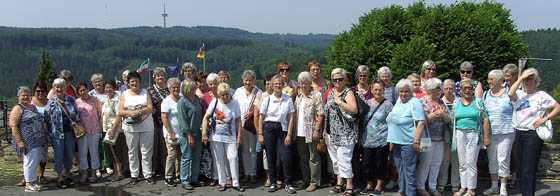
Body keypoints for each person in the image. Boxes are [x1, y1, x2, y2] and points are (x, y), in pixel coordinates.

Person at [508, 68, 560, 196]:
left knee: (529, 169)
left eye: (531, 80)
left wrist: (545, 119)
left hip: (532, 135)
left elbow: (557, 107)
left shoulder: (541, 95)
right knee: (520, 168)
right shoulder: (519, 94)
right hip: (518, 133)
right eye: (526, 80)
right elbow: (510, 94)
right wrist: (521, 77)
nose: (528, 82)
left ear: (536, 82)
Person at [202, 83, 245, 192]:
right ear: (219, 95)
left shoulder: (235, 103)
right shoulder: (215, 102)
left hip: (230, 137)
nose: (225, 97)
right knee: (219, 160)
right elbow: (206, 117)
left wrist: (239, 136)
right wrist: (204, 134)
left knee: (233, 157)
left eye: (227, 94)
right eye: (222, 95)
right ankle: (222, 182)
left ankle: (236, 182)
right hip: (216, 136)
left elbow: (238, 121)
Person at [386, 78, 426, 196]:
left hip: (409, 142)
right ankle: (402, 190)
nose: (403, 94)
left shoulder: (415, 102)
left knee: (409, 171)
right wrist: (391, 141)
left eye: (406, 91)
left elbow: (421, 122)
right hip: (396, 141)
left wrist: (416, 141)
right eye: (401, 91)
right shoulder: (399, 100)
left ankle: (410, 193)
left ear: (411, 91)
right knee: (400, 169)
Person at [259, 75, 297, 194]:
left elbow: (291, 117)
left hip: (283, 129)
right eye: (275, 83)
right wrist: (260, 134)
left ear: (283, 85)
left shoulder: (288, 99)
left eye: (279, 83)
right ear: (271, 85)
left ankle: (288, 183)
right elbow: (261, 117)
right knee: (271, 157)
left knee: (286, 157)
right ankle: (273, 182)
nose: (277, 85)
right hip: (269, 128)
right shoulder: (267, 99)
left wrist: (290, 134)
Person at [453, 79, 490, 196]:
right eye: (465, 88)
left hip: (473, 133)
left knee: (471, 162)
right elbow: (452, 119)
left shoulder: (478, 102)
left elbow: (485, 119)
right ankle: (463, 187)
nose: (468, 90)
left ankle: (471, 189)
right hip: (459, 133)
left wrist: (486, 137)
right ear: (461, 90)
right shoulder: (456, 102)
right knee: (462, 162)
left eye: (470, 88)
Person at [324, 68, 358, 196]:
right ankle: (339, 183)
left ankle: (349, 186)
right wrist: (324, 131)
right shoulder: (331, 91)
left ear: (345, 79)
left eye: (340, 79)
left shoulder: (348, 92)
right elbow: (327, 111)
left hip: (346, 133)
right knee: (336, 160)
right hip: (331, 132)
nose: (337, 81)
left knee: (344, 159)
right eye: (335, 79)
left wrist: (340, 102)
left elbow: (354, 109)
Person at [482, 70, 515, 196]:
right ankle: (494, 186)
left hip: (506, 132)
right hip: (490, 133)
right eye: (489, 79)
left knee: (503, 159)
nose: (489, 81)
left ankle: (503, 188)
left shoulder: (509, 93)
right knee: (492, 160)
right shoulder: (486, 94)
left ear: (500, 81)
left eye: (491, 79)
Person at [118, 71, 155, 185]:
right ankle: (134, 175)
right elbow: (120, 111)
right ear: (128, 83)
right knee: (132, 151)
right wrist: (131, 113)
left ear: (140, 81)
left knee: (146, 152)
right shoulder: (124, 94)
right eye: (132, 81)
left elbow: (150, 107)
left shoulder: (145, 92)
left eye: (136, 81)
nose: (135, 83)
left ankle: (147, 174)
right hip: (131, 127)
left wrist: (139, 111)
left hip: (146, 126)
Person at [10, 86, 48, 192]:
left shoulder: (32, 107)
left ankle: (33, 181)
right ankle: (28, 184)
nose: (26, 97)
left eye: (27, 95)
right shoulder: (17, 108)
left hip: (38, 140)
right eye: (23, 95)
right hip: (27, 141)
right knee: (29, 162)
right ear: (18, 97)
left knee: (35, 161)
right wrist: (19, 141)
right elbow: (13, 125)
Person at [416, 78, 450, 196]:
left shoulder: (441, 102)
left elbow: (448, 119)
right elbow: (419, 121)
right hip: (426, 138)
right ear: (430, 90)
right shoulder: (421, 102)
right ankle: (420, 187)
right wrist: (433, 115)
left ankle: (432, 187)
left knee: (436, 163)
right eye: (437, 88)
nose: (440, 90)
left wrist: (443, 114)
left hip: (440, 138)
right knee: (425, 163)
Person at [360, 80, 393, 196]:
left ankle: (379, 186)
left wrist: (391, 141)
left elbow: (392, 123)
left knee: (380, 164)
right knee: (366, 164)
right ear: (371, 90)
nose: (378, 91)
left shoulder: (388, 105)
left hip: (382, 140)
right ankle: (369, 184)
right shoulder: (366, 103)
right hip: (367, 140)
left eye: (380, 89)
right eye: (375, 89)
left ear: (384, 90)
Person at [294, 71, 324, 192]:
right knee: (303, 157)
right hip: (299, 132)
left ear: (309, 83)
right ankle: (306, 180)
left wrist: (317, 130)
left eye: (305, 83)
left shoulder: (316, 95)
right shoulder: (299, 96)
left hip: (311, 131)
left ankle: (315, 181)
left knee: (313, 157)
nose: (302, 85)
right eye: (301, 83)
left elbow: (321, 113)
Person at [46, 78, 79, 188]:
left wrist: (75, 122)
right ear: (53, 88)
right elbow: (46, 118)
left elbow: (77, 113)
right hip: (57, 134)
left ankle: (67, 173)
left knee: (69, 155)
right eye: (56, 87)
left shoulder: (71, 100)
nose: (59, 89)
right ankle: (60, 176)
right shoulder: (50, 102)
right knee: (59, 156)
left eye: (61, 86)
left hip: (70, 132)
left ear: (65, 88)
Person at [233, 70, 262, 185]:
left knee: (253, 150)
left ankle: (253, 174)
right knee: (244, 150)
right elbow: (234, 106)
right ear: (242, 80)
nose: (248, 82)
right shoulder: (238, 91)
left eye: (250, 80)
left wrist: (251, 113)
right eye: (246, 80)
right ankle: (246, 174)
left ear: (253, 80)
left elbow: (259, 107)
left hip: (252, 124)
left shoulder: (258, 91)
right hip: (240, 124)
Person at [177, 80, 204, 190]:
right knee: (187, 157)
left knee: (197, 157)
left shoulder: (197, 99)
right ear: (187, 89)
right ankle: (185, 180)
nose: (195, 89)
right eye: (193, 88)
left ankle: (194, 179)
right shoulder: (182, 102)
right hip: (187, 134)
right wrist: (189, 135)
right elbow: (183, 120)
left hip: (198, 132)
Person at [75, 82, 103, 183]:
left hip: (94, 130)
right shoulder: (76, 102)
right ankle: (84, 174)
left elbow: (100, 114)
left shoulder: (95, 100)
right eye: (80, 90)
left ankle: (94, 173)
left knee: (94, 152)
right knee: (83, 153)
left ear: (88, 89)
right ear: (78, 92)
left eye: (84, 89)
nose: (83, 92)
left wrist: (101, 127)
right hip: (82, 132)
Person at [437, 79, 461, 192]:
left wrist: (446, 116)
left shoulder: (459, 101)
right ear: (442, 89)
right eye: (446, 88)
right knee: (444, 161)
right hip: (444, 136)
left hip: (457, 135)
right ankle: (442, 183)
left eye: (451, 88)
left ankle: (455, 184)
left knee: (456, 161)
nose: (448, 90)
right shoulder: (440, 101)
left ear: (454, 89)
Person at [102, 80, 127, 182]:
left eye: (110, 87)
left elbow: (119, 115)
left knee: (117, 151)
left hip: (116, 129)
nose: (108, 89)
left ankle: (119, 173)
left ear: (114, 88)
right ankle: (118, 171)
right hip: (108, 129)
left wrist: (113, 129)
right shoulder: (107, 100)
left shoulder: (117, 100)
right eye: (106, 88)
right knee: (113, 151)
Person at [147, 67, 170, 178]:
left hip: (168, 123)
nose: (160, 77)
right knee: (154, 147)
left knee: (166, 148)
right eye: (157, 76)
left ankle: (166, 169)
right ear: (154, 78)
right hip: (154, 122)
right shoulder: (149, 90)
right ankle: (154, 170)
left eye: (162, 75)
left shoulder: (170, 89)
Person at [89, 74, 113, 177]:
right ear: (92, 84)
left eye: (99, 81)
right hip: (94, 124)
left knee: (106, 144)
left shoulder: (107, 93)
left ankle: (107, 165)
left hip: (107, 124)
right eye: (95, 82)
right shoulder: (90, 94)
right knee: (96, 146)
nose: (98, 84)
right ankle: (97, 167)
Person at [161, 78, 182, 186]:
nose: (176, 89)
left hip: (181, 132)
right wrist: (171, 132)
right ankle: (168, 177)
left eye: (177, 87)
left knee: (180, 155)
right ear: (169, 89)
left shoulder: (181, 99)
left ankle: (178, 175)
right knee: (172, 154)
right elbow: (164, 117)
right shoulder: (166, 101)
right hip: (171, 132)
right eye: (173, 87)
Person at [31, 82, 49, 185]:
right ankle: (28, 177)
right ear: (34, 92)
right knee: (31, 156)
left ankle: (41, 175)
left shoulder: (49, 102)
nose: (40, 93)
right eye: (38, 91)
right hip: (32, 134)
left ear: (46, 92)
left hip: (44, 134)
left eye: (42, 91)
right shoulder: (30, 102)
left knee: (43, 155)